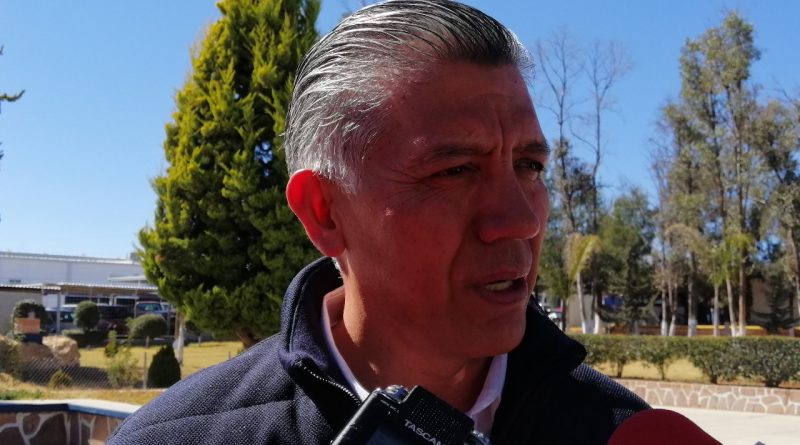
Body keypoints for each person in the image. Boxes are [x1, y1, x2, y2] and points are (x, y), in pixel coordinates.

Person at [109, 1, 650, 444]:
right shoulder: (178, 438)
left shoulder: (621, 431)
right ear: (324, 211)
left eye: (529, 166)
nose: (521, 221)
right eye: (456, 170)